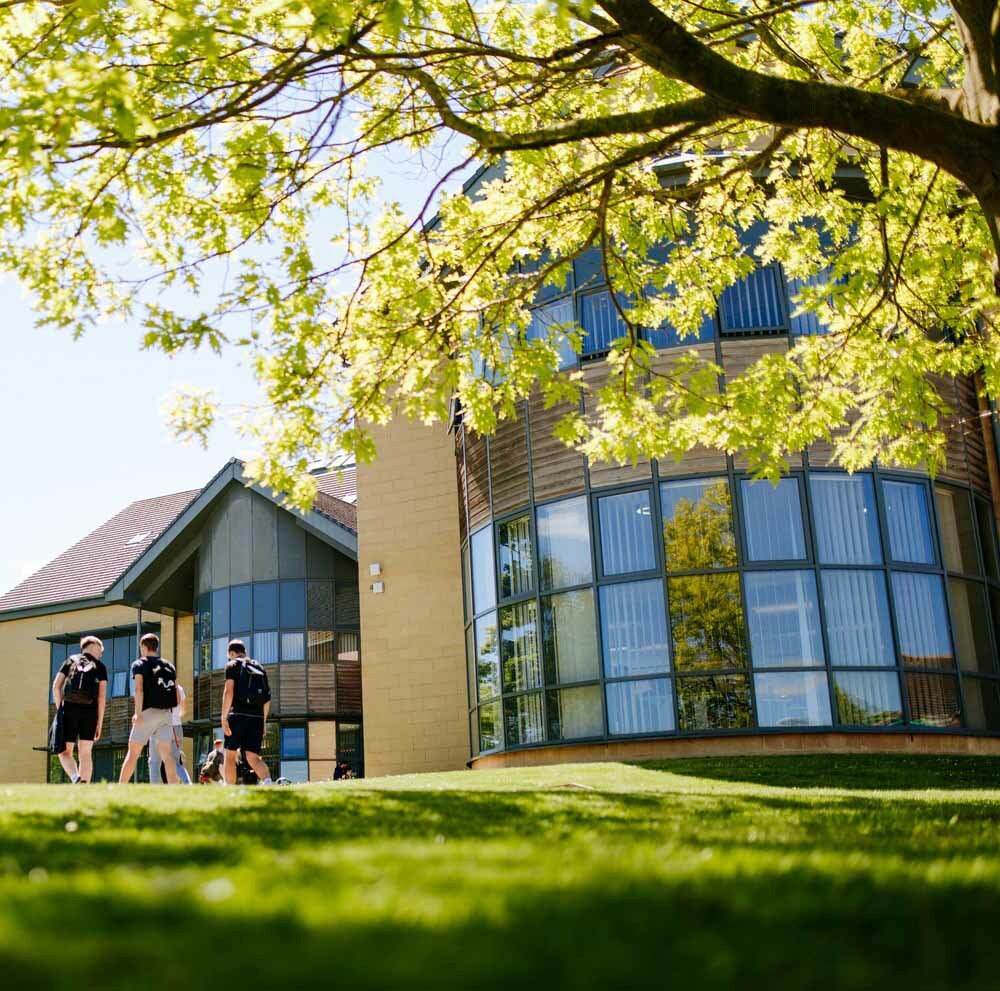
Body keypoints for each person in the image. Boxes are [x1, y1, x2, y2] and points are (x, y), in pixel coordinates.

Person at [118, 632, 180, 784]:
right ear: (156, 647)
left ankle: (120, 787)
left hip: (147, 713)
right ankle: (174, 788)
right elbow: (176, 691)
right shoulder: (169, 666)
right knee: (167, 755)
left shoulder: (139, 664)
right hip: (166, 714)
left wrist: (137, 713)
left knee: (133, 753)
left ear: (143, 647)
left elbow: (139, 689)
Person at [51, 636, 108, 783]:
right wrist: (99, 722)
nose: (101, 654)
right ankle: (84, 788)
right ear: (93, 645)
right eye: (100, 650)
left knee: (64, 752)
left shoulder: (70, 660)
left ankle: (76, 777)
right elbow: (101, 698)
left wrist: (60, 710)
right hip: (90, 711)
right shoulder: (100, 667)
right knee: (85, 753)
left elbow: (56, 686)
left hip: (69, 709)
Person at [220, 639, 273, 786]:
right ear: (244, 652)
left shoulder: (232, 665)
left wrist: (224, 717)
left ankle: (229, 789)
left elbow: (228, 691)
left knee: (230, 755)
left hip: (237, 715)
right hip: (257, 717)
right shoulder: (260, 668)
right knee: (253, 756)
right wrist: (263, 722)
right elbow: (267, 699)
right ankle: (268, 783)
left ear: (231, 653)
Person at [149, 681, 192, 785]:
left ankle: (154, 788)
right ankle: (187, 783)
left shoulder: (155, 687)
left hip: (159, 727)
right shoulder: (179, 688)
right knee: (176, 761)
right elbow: (184, 710)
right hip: (176, 728)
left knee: (155, 761)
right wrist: (175, 717)